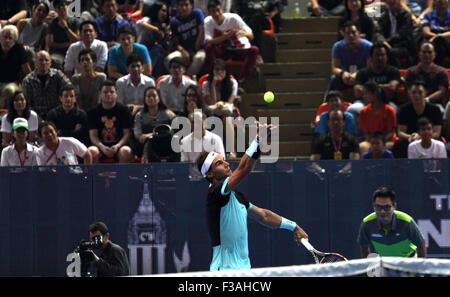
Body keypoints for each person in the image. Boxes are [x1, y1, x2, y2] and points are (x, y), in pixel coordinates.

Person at [195, 121, 309, 270]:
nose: (226, 164)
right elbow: (244, 168)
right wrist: (258, 139)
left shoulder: (237, 197)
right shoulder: (215, 193)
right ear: (209, 174)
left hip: (244, 270)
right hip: (224, 271)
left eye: (224, 160)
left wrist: (293, 226)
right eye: (219, 164)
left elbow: (264, 216)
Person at [357, 186, 427, 258]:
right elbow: (363, 247)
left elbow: (421, 244)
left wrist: (418, 267)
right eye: (378, 207)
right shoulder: (367, 223)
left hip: (408, 260)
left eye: (387, 207)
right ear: (373, 206)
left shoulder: (406, 221)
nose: (382, 211)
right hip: (384, 262)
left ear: (394, 206)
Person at [203, 0, 259, 84]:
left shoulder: (233, 18)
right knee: (209, 48)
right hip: (224, 51)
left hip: (239, 49)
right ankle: (211, 76)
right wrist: (226, 36)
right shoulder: (208, 21)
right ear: (209, 13)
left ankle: (242, 79)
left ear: (222, 9)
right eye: (213, 12)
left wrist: (242, 33)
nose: (216, 14)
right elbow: (209, 41)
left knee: (254, 50)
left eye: (218, 10)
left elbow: (251, 35)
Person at [87, 80, 134, 163]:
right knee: (91, 151)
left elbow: (127, 133)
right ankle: (93, 176)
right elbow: (93, 134)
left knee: (126, 151)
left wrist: (117, 146)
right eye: (105, 92)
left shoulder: (124, 110)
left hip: (119, 145)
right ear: (100, 94)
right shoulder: (93, 112)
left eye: (111, 92)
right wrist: (101, 147)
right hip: (100, 145)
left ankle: (123, 176)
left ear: (116, 94)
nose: (108, 94)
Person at [393, 80, 443, 158]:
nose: (417, 95)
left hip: (430, 139)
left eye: (420, 92)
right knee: (398, 146)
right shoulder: (404, 110)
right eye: (413, 92)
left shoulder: (435, 109)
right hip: (410, 140)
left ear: (425, 93)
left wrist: (421, 137)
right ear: (409, 93)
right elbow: (400, 132)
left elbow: (437, 133)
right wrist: (411, 137)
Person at [351, 42, 401, 118]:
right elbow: (358, 92)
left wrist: (369, 91)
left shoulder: (393, 71)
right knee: (353, 109)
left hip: (387, 103)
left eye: (382, 55)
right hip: (365, 103)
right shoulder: (362, 73)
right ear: (371, 57)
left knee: (392, 109)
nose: (380, 58)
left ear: (387, 57)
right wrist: (381, 89)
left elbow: (391, 89)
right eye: (377, 55)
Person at [22, 50, 72, 120]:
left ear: (50, 63)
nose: (43, 63)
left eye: (46, 60)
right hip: (36, 116)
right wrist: (38, 120)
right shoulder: (28, 80)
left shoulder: (57, 75)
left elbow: (69, 88)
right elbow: (27, 105)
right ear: (35, 62)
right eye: (41, 60)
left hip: (57, 114)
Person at [202, 58, 238, 156]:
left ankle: (231, 152)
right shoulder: (206, 84)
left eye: (222, 70)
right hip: (212, 112)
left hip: (227, 110)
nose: (219, 72)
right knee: (213, 119)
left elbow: (230, 102)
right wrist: (213, 85)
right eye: (217, 69)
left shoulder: (232, 83)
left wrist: (222, 103)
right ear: (212, 71)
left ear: (226, 72)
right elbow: (212, 103)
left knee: (227, 119)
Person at [328, 21, 372, 93]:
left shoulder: (368, 46)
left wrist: (358, 74)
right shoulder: (338, 46)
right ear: (343, 34)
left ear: (359, 33)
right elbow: (335, 68)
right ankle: (329, 102)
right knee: (334, 79)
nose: (351, 36)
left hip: (362, 76)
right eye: (348, 33)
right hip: (346, 77)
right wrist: (343, 73)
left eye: (353, 32)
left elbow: (370, 68)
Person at [134, 86, 176, 160]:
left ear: (159, 98)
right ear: (145, 99)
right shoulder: (139, 116)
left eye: (154, 96)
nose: (151, 98)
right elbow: (139, 136)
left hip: (165, 144)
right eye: (148, 96)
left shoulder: (167, 114)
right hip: (146, 145)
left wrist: (150, 134)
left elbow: (174, 132)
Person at [405, 41, 449, 112]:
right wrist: (419, 101)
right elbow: (408, 90)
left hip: (435, 104)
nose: (427, 55)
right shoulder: (411, 72)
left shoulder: (441, 72)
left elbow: (442, 91)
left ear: (434, 54)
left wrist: (426, 100)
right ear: (419, 54)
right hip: (414, 103)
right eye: (424, 52)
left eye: (430, 52)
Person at [167, 0, 206, 77]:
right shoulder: (174, 21)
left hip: (199, 49)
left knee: (199, 58)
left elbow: (202, 30)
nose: (184, 8)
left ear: (191, 5)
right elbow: (176, 42)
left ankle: (187, 78)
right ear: (178, 7)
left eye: (186, 5)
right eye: (181, 5)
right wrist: (183, 50)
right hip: (184, 51)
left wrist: (195, 49)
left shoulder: (197, 13)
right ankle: (177, 78)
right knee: (168, 59)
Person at [373, 0, 416, 68]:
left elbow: (402, 34)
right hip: (386, 45)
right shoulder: (383, 16)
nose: (391, 1)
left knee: (390, 52)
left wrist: (387, 42)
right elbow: (378, 32)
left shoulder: (406, 15)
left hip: (402, 46)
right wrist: (383, 42)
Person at [358, 82, 397, 155]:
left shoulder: (389, 110)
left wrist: (380, 143)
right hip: (371, 141)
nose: (364, 96)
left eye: (366, 93)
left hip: (386, 141)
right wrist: (373, 143)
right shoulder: (363, 111)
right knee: (363, 146)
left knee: (390, 146)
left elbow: (391, 133)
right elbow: (366, 133)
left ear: (375, 94)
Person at [136, 1, 171, 78]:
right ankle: (147, 73)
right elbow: (139, 23)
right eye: (163, 10)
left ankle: (155, 77)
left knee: (159, 49)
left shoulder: (164, 27)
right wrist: (155, 29)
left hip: (156, 53)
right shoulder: (148, 20)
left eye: (166, 11)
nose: (164, 13)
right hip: (142, 50)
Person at [46, 0, 81, 70]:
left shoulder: (75, 22)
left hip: (73, 51)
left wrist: (66, 27)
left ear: (67, 6)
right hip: (57, 52)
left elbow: (77, 40)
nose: (61, 8)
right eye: (59, 7)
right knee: (55, 60)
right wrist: (67, 44)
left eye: (63, 6)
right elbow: (50, 43)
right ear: (55, 9)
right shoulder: (52, 24)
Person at [420, 0, 450, 67]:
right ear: (434, 2)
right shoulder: (428, 15)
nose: (442, 1)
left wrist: (437, 37)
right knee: (437, 44)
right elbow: (426, 32)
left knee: (440, 40)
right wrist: (438, 37)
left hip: (448, 44)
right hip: (433, 45)